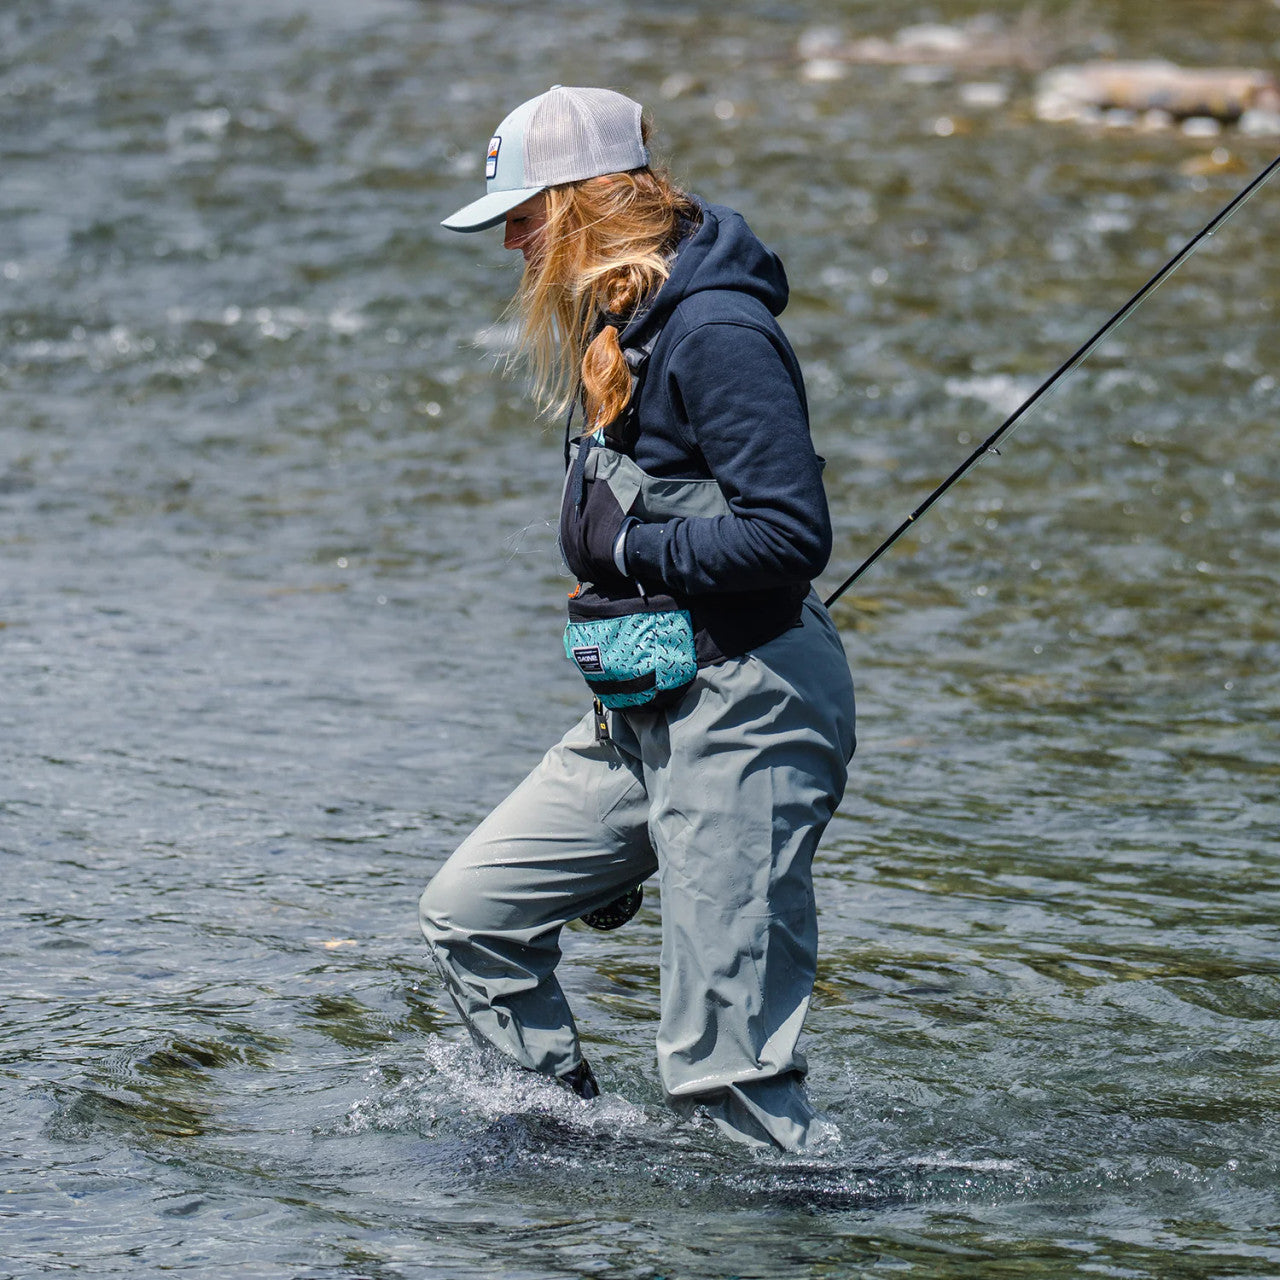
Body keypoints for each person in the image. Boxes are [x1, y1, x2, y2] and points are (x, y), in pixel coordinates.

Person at [420, 85, 856, 1151]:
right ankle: (566, 1158)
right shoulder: (623, 320)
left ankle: (797, 1214)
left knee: (721, 1077)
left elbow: (789, 536)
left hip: (748, 704)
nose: (512, 242)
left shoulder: (715, 330)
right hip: (643, 707)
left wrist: (631, 550)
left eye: (523, 215)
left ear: (583, 204)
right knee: (474, 916)